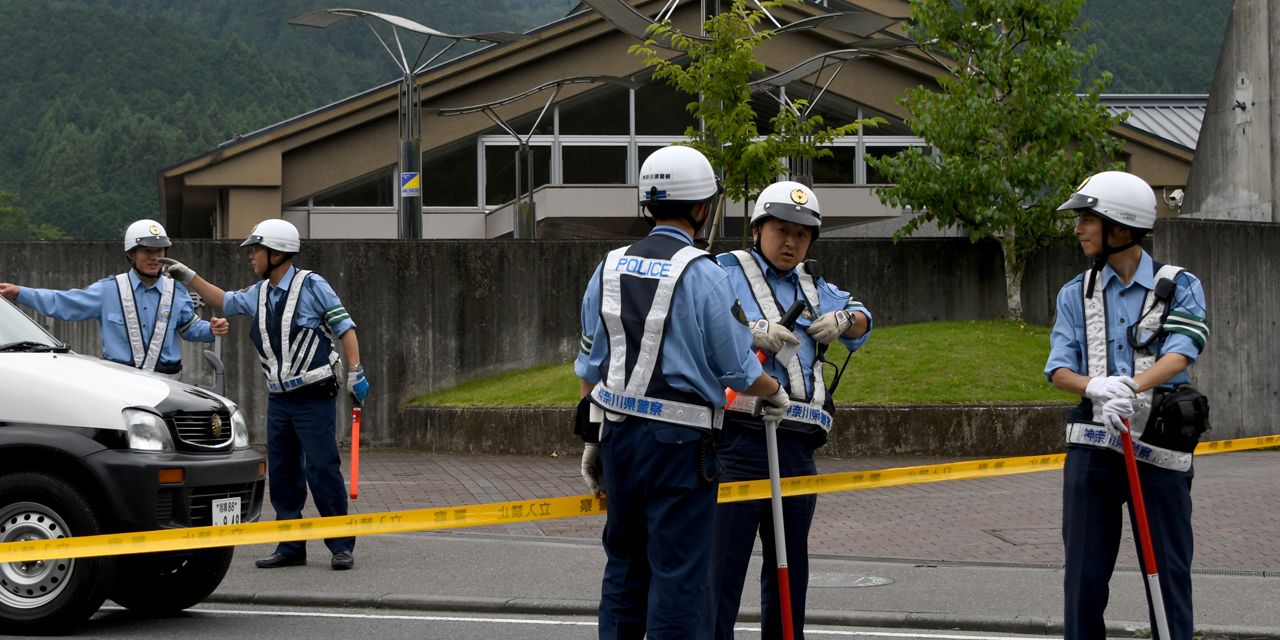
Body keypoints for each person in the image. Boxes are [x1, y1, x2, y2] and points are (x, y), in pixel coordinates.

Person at [574, 144, 790, 639]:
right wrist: (774, 391)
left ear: (647, 203)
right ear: (701, 208)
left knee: (624, 568)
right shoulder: (704, 273)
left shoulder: (608, 266)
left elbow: (590, 365)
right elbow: (738, 369)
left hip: (619, 439)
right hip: (681, 445)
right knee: (678, 575)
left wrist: (592, 437)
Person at [1046, 171, 1209, 640]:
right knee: (1083, 576)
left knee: (1168, 573)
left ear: (1119, 227)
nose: (1078, 228)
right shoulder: (1074, 292)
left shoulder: (1179, 285)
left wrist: (1132, 387)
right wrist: (1096, 387)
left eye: (1086, 219)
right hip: (1093, 450)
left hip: (1159, 449)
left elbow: (1182, 351)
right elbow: (1059, 369)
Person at [708, 181, 871, 640]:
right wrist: (749, 332)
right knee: (722, 567)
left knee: (789, 566)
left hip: (797, 446)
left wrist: (845, 319)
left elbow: (864, 318)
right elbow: (700, 323)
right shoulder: (723, 271)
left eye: (802, 235)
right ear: (757, 230)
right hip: (738, 441)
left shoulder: (814, 284)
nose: (791, 242)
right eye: (782, 230)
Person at [160, 218, 369, 571]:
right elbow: (223, 301)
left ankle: (340, 545)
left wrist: (356, 372)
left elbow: (344, 327)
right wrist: (189, 276)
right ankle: (291, 546)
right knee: (284, 474)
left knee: (322, 470)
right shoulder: (258, 293)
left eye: (255, 249)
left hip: (314, 394)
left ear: (277, 253)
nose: (250, 256)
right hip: (279, 399)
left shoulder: (312, 285)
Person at [0, 219, 227, 377]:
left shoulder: (176, 290)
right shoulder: (108, 290)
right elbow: (63, 303)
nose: (155, 257)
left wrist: (211, 328)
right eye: (147, 251)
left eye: (160, 251)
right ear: (131, 254)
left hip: (169, 383)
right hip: (121, 381)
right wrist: (20, 292)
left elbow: (190, 328)